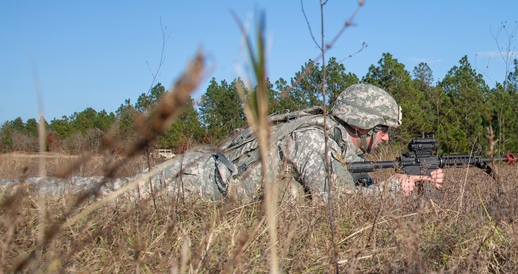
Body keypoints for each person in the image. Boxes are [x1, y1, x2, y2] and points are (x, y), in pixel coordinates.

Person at [0, 83, 443, 202]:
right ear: (362, 123)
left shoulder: (332, 142)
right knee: (93, 195)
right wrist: (394, 191)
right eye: (382, 128)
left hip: (203, 176)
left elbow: (345, 187)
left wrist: (411, 185)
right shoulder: (315, 139)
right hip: (193, 182)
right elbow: (331, 201)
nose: (385, 138)